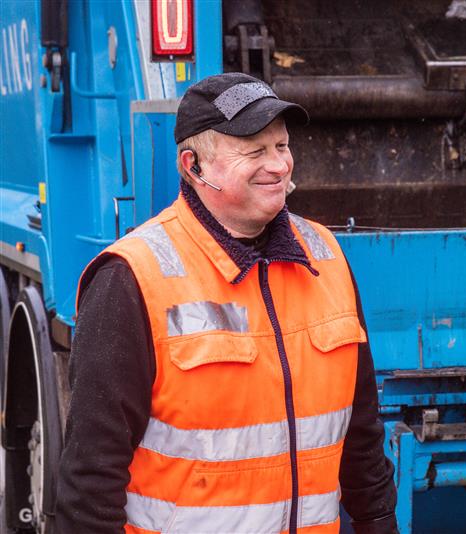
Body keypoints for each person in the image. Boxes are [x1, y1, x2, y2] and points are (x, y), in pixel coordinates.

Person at [56, 72, 398, 534]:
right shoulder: (131, 279)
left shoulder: (326, 258)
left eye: (282, 146)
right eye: (254, 151)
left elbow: (362, 436)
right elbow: (91, 479)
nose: (278, 165)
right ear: (193, 166)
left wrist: (380, 523)